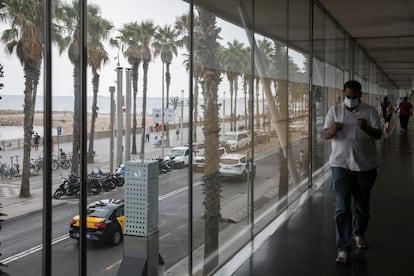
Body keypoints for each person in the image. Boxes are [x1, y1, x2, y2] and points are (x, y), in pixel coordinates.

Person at [323, 80, 382, 264]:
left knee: (361, 205)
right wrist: (333, 129)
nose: (350, 99)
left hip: (365, 167)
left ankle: (359, 233)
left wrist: (365, 127)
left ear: (360, 95)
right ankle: (343, 248)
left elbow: (379, 135)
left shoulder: (370, 111)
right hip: (340, 165)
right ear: (343, 93)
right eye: (348, 96)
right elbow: (324, 134)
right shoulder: (334, 110)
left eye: (354, 97)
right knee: (341, 206)